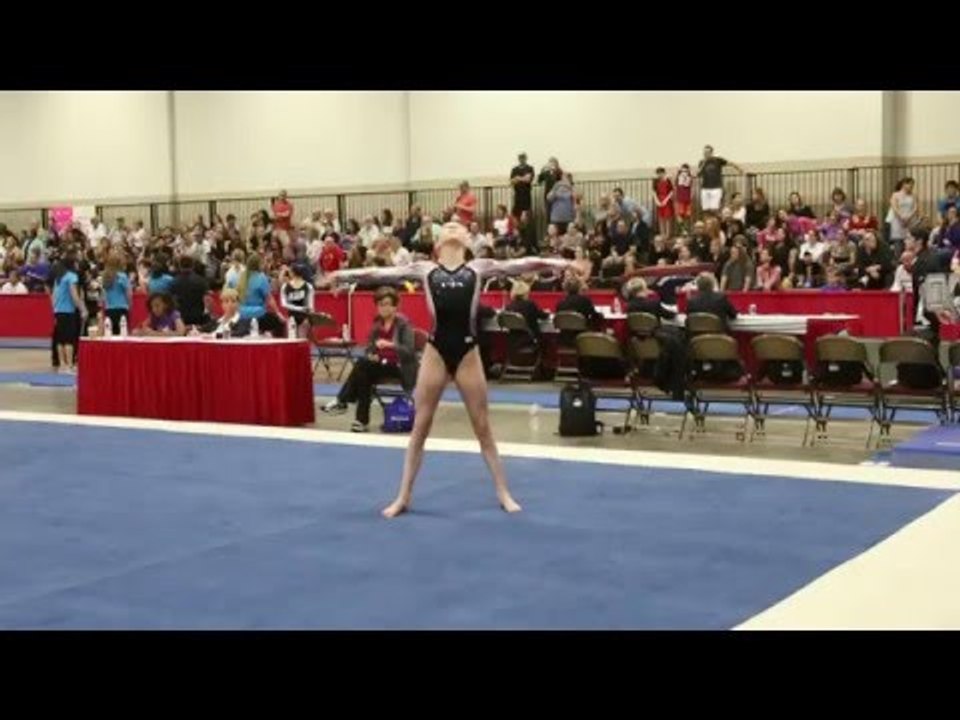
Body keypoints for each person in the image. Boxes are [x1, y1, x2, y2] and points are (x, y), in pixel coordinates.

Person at [324, 223, 575, 518]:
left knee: (483, 428)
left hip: (467, 352)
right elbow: (380, 274)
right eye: (449, 226)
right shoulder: (425, 270)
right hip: (436, 351)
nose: (455, 227)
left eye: (461, 226)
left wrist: (564, 262)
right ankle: (403, 495)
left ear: (468, 240)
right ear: (438, 242)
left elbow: (522, 264)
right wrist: (342, 275)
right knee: (420, 427)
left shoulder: (479, 268)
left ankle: (503, 492)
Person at [322, 286, 419, 432]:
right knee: (363, 373)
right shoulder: (377, 324)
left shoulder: (403, 324)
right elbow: (369, 349)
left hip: (400, 367)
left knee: (362, 366)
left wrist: (390, 344)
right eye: (380, 305)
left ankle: (343, 401)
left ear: (395, 306)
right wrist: (371, 355)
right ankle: (360, 421)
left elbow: (409, 351)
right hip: (379, 365)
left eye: (387, 304)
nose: (384, 308)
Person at [51, 256, 86, 372]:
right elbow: (74, 296)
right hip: (67, 311)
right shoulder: (72, 277)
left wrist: (55, 308)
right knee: (69, 339)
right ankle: (70, 364)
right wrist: (82, 309)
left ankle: (62, 364)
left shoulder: (59, 278)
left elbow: (54, 296)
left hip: (58, 311)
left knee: (60, 339)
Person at [697, 145, 743, 214]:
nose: (705, 154)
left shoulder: (718, 160)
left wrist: (739, 169)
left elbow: (730, 163)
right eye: (704, 152)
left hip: (716, 188)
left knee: (714, 209)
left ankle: (715, 223)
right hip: (705, 188)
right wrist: (704, 163)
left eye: (707, 152)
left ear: (711, 153)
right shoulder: (701, 162)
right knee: (705, 210)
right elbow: (698, 174)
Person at [101, 251, 132, 334]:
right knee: (122, 334)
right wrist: (130, 305)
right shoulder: (122, 276)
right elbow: (128, 293)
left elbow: (104, 294)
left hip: (109, 309)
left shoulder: (105, 277)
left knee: (110, 334)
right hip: (121, 308)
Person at [280, 263, 315, 335]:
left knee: (299, 341)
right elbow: (310, 307)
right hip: (296, 317)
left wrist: (311, 320)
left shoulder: (308, 286)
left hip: (300, 318)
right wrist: (301, 309)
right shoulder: (285, 286)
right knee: (299, 341)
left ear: (292, 273)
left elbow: (311, 307)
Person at [509, 152, 535, 218]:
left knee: (526, 216)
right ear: (518, 159)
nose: (522, 159)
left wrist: (518, 178)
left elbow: (528, 180)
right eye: (520, 158)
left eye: (523, 158)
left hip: (526, 196)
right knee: (516, 215)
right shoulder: (514, 169)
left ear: (526, 158)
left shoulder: (530, 168)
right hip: (517, 195)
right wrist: (523, 178)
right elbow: (512, 181)